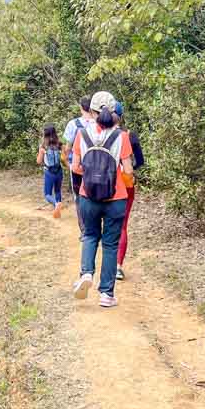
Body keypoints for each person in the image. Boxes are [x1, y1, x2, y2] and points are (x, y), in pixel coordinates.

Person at [69, 91, 134, 308]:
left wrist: (91, 173)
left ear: (92, 111)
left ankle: (86, 273)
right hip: (116, 199)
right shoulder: (122, 137)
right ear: (114, 111)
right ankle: (106, 294)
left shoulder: (81, 135)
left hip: (88, 195)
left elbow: (75, 167)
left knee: (89, 236)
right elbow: (127, 170)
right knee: (110, 244)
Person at [114, 100, 145, 281]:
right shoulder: (129, 135)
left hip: (104, 185)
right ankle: (118, 266)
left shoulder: (99, 134)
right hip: (126, 184)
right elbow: (140, 161)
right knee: (122, 225)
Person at [62, 95, 93, 236]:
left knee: (79, 197)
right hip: (97, 166)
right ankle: (95, 227)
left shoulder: (73, 124)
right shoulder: (100, 123)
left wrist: (67, 161)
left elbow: (67, 147)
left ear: (81, 107)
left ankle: (85, 230)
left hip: (77, 167)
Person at [36, 124, 64, 218]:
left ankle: (56, 204)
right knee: (58, 191)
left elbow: (39, 161)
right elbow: (64, 157)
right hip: (59, 171)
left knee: (47, 194)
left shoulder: (43, 146)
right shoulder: (59, 144)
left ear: (45, 134)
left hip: (49, 172)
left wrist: (42, 153)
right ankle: (58, 207)